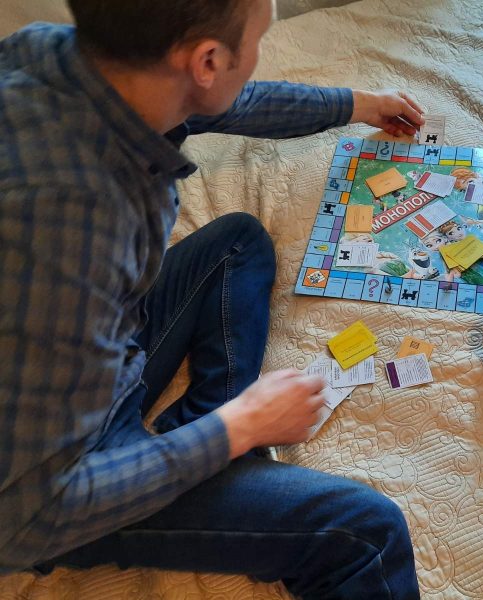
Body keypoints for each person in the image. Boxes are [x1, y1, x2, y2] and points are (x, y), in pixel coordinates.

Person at [0, 0, 424, 596]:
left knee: (238, 242)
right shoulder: (74, 230)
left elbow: (223, 100)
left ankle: (202, 452)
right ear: (206, 61)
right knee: (368, 532)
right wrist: (238, 427)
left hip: (86, 360)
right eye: (257, 40)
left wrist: (360, 104)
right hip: (59, 482)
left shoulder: (52, 53)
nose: (255, 59)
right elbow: (23, 520)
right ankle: (204, 455)